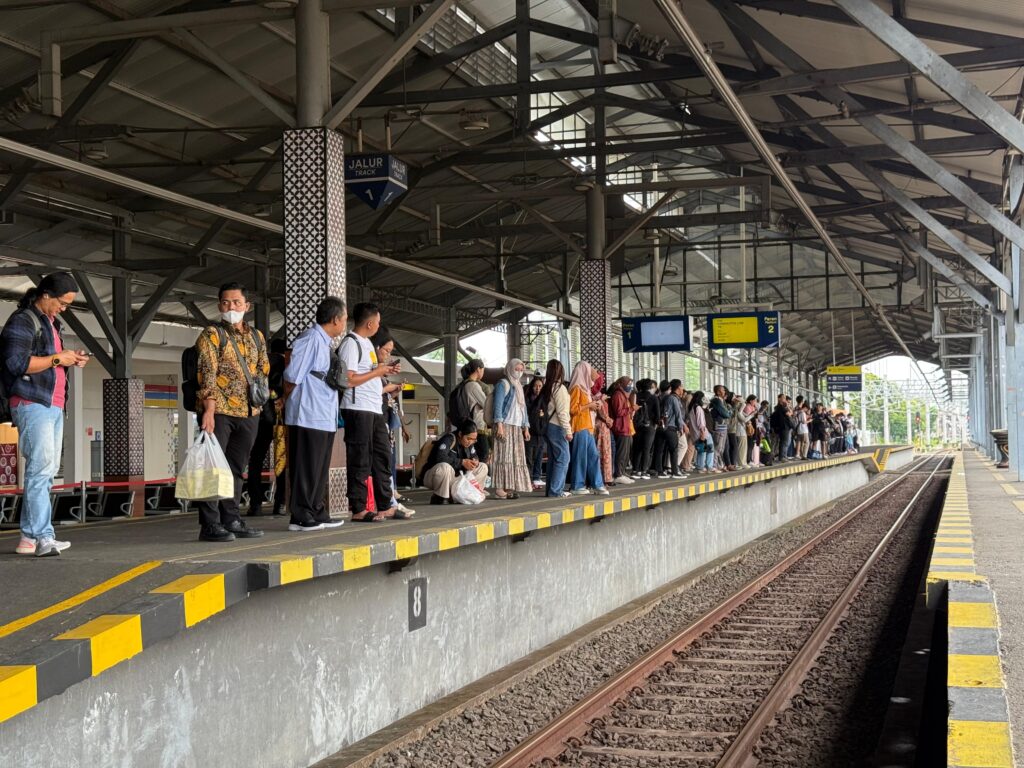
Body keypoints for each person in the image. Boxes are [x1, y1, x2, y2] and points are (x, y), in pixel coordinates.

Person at [1, 272, 89, 556]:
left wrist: (69, 359)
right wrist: (58, 358)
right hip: (32, 402)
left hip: (53, 404)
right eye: (62, 303)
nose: (64, 308)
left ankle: (28, 538)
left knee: (46, 471)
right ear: (46, 295)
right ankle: (43, 537)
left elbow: (51, 361)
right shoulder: (23, 320)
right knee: (40, 470)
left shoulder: (53, 324)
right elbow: (16, 363)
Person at [194, 282, 269, 542]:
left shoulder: (257, 337)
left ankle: (231, 518)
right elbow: (207, 373)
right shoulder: (212, 334)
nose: (231, 307)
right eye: (226, 303)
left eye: (236, 302)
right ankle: (210, 524)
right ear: (219, 306)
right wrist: (209, 410)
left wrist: (259, 403)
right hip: (220, 412)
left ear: (247, 306)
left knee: (236, 468)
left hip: (249, 413)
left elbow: (263, 369)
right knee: (213, 468)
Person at [281, 297, 348, 532]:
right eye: (344, 319)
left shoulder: (324, 342)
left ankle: (317, 510)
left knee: (319, 467)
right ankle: (300, 516)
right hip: (307, 414)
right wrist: (286, 401)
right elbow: (292, 376)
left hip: (323, 414)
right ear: (335, 319)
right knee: (306, 467)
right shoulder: (311, 339)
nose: (345, 324)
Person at [338, 303, 404, 522]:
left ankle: (385, 504)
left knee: (382, 455)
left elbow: (369, 373)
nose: (378, 325)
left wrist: (384, 370)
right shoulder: (351, 343)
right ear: (369, 323)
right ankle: (358, 507)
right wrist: (378, 372)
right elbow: (348, 379)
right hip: (357, 408)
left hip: (374, 408)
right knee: (360, 457)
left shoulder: (367, 344)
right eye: (378, 321)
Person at [372, 329, 416, 518]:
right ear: (376, 347)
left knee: (386, 460)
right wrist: (387, 387)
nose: (388, 355)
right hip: (375, 419)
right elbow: (369, 390)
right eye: (386, 350)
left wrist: (393, 391)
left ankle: (390, 499)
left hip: (384, 420)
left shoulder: (380, 372)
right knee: (382, 460)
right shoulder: (371, 369)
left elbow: (385, 396)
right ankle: (388, 501)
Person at [246, 337, 287, 517]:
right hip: (279, 419)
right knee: (282, 459)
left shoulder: (260, 363)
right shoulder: (285, 363)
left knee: (255, 460)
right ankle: (280, 503)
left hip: (259, 417)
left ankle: (255, 504)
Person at [491, 358, 532, 499]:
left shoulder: (519, 386)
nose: (519, 372)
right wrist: (499, 425)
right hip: (505, 425)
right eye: (516, 369)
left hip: (516, 426)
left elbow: (523, 408)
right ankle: (499, 488)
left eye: (521, 370)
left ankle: (509, 486)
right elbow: (497, 406)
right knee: (503, 455)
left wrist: (526, 427)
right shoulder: (503, 384)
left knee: (515, 457)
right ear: (510, 368)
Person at [421, 419, 488, 504]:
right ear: (460, 434)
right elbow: (440, 458)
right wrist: (462, 462)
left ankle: (471, 494)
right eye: (468, 438)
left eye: (474, 439)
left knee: (482, 467)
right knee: (445, 467)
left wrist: (475, 462)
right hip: (436, 477)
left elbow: (474, 456)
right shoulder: (448, 439)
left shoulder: (470, 444)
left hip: (457, 478)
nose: (470, 442)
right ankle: (441, 496)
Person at [567, 361, 609, 496]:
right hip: (579, 426)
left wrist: (593, 406)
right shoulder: (576, 388)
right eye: (589, 370)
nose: (592, 372)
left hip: (588, 427)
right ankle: (577, 485)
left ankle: (597, 484)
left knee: (593, 456)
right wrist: (589, 406)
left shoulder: (585, 389)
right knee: (580, 457)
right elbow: (572, 409)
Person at [539, 360, 572, 497]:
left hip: (547, 426)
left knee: (553, 459)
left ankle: (551, 490)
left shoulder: (547, 387)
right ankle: (556, 490)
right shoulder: (559, 388)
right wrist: (568, 430)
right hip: (557, 426)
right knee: (563, 458)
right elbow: (562, 412)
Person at [457, 359, 489, 463]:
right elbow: (486, 404)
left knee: (474, 455)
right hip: (477, 427)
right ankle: (481, 473)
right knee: (483, 455)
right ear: (478, 369)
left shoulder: (464, 384)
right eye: (483, 370)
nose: (483, 372)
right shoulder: (473, 385)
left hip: (471, 425)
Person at [654, 379, 686, 478]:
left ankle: (659, 471)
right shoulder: (674, 399)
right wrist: (681, 427)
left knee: (659, 450)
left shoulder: (664, 397)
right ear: (678, 387)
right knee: (673, 450)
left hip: (661, 427)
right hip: (670, 427)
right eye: (681, 386)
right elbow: (678, 414)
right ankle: (675, 472)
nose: (682, 388)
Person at [608, 376, 635, 484]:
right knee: (621, 453)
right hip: (621, 428)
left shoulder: (623, 395)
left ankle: (622, 472)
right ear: (622, 384)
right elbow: (619, 412)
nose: (630, 386)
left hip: (626, 427)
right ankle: (618, 474)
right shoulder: (618, 395)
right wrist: (631, 408)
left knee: (626, 453)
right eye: (628, 384)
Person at [592, 372, 615, 486]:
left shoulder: (592, 393)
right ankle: (604, 477)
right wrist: (610, 421)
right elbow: (602, 413)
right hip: (601, 427)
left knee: (600, 451)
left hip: (597, 426)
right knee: (603, 451)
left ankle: (602, 477)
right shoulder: (597, 396)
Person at [631, 379, 658, 479]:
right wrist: (655, 424)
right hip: (649, 425)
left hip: (637, 425)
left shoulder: (635, 396)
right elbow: (658, 414)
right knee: (646, 449)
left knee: (637, 448)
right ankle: (644, 471)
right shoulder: (653, 397)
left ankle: (635, 470)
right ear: (650, 387)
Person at [524, 374, 546, 488]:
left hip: (541, 433)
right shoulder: (527, 399)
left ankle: (536, 478)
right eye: (535, 386)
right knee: (529, 458)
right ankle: (528, 479)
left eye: (540, 386)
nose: (537, 388)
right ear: (531, 387)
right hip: (530, 432)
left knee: (538, 457)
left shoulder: (544, 399)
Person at [687, 391, 713, 474]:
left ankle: (700, 467)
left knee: (701, 450)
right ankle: (708, 467)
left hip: (695, 433)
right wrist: (703, 433)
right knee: (709, 449)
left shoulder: (691, 407)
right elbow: (701, 422)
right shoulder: (698, 408)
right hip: (702, 432)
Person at [709, 385, 732, 471]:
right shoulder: (717, 401)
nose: (724, 392)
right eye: (723, 390)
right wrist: (729, 412)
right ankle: (714, 466)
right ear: (718, 392)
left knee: (721, 448)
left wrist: (728, 412)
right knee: (717, 447)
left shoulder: (721, 401)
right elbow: (726, 414)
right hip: (719, 426)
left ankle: (719, 465)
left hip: (722, 426)